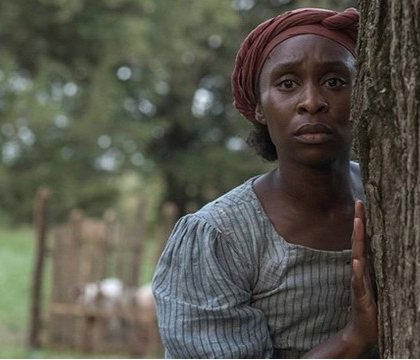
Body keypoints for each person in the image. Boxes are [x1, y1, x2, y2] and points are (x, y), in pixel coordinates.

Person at [152, 7, 378, 358]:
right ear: (259, 105)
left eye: (335, 82)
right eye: (287, 83)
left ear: (361, 94)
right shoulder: (219, 238)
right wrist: (353, 338)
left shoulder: (387, 198)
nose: (312, 102)